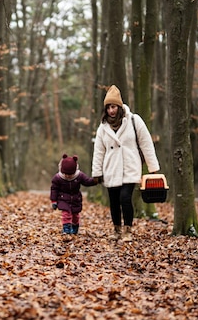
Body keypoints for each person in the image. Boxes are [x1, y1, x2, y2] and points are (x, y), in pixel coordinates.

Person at [91, 85, 160, 242]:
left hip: (130, 167)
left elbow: (146, 143)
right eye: (108, 107)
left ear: (119, 107)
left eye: (113, 106)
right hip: (111, 169)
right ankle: (117, 230)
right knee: (114, 202)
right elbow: (99, 151)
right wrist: (96, 173)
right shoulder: (103, 128)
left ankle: (128, 230)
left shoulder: (134, 120)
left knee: (125, 198)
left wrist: (153, 168)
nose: (111, 111)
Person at [50, 154, 98, 235]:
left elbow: (86, 182)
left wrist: (95, 181)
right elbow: (54, 189)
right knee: (66, 214)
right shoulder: (58, 178)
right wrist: (54, 201)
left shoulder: (79, 176)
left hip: (76, 198)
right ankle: (66, 229)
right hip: (63, 198)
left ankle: (75, 226)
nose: (68, 176)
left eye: (70, 174)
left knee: (75, 215)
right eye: (66, 174)